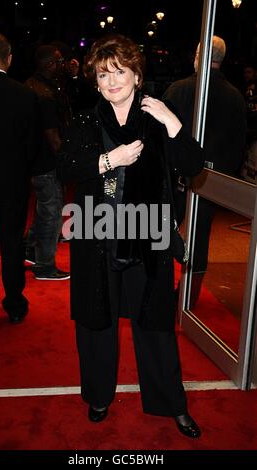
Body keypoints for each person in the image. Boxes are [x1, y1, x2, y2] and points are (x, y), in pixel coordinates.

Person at [58, 34, 204, 438]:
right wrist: (110, 160)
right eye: (104, 75)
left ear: (137, 75)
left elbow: (192, 165)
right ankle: (99, 396)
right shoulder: (88, 119)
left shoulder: (158, 115)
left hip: (148, 238)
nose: (112, 81)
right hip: (97, 236)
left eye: (120, 71)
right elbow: (66, 168)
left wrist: (173, 124)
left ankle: (171, 403)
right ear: (96, 82)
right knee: (96, 322)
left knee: (154, 325)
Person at [163, 36, 247, 307]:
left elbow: (159, 135)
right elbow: (239, 143)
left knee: (164, 227)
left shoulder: (179, 89)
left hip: (176, 173)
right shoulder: (235, 96)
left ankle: (157, 287)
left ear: (198, 57)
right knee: (199, 237)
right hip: (213, 178)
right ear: (222, 59)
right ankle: (189, 297)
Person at [0, 32, 38, 323]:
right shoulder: (25, 95)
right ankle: (15, 306)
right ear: (9, 59)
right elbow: (32, 146)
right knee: (12, 247)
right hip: (12, 186)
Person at [24, 45, 70, 280]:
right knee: (52, 212)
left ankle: (29, 247)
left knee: (45, 207)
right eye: (60, 61)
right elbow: (53, 137)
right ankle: (44, 265)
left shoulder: (33, 84)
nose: (63, 65)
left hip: (35, 160)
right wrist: (68, 162)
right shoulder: (44, 93)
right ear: (50, 64)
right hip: (46, 162)